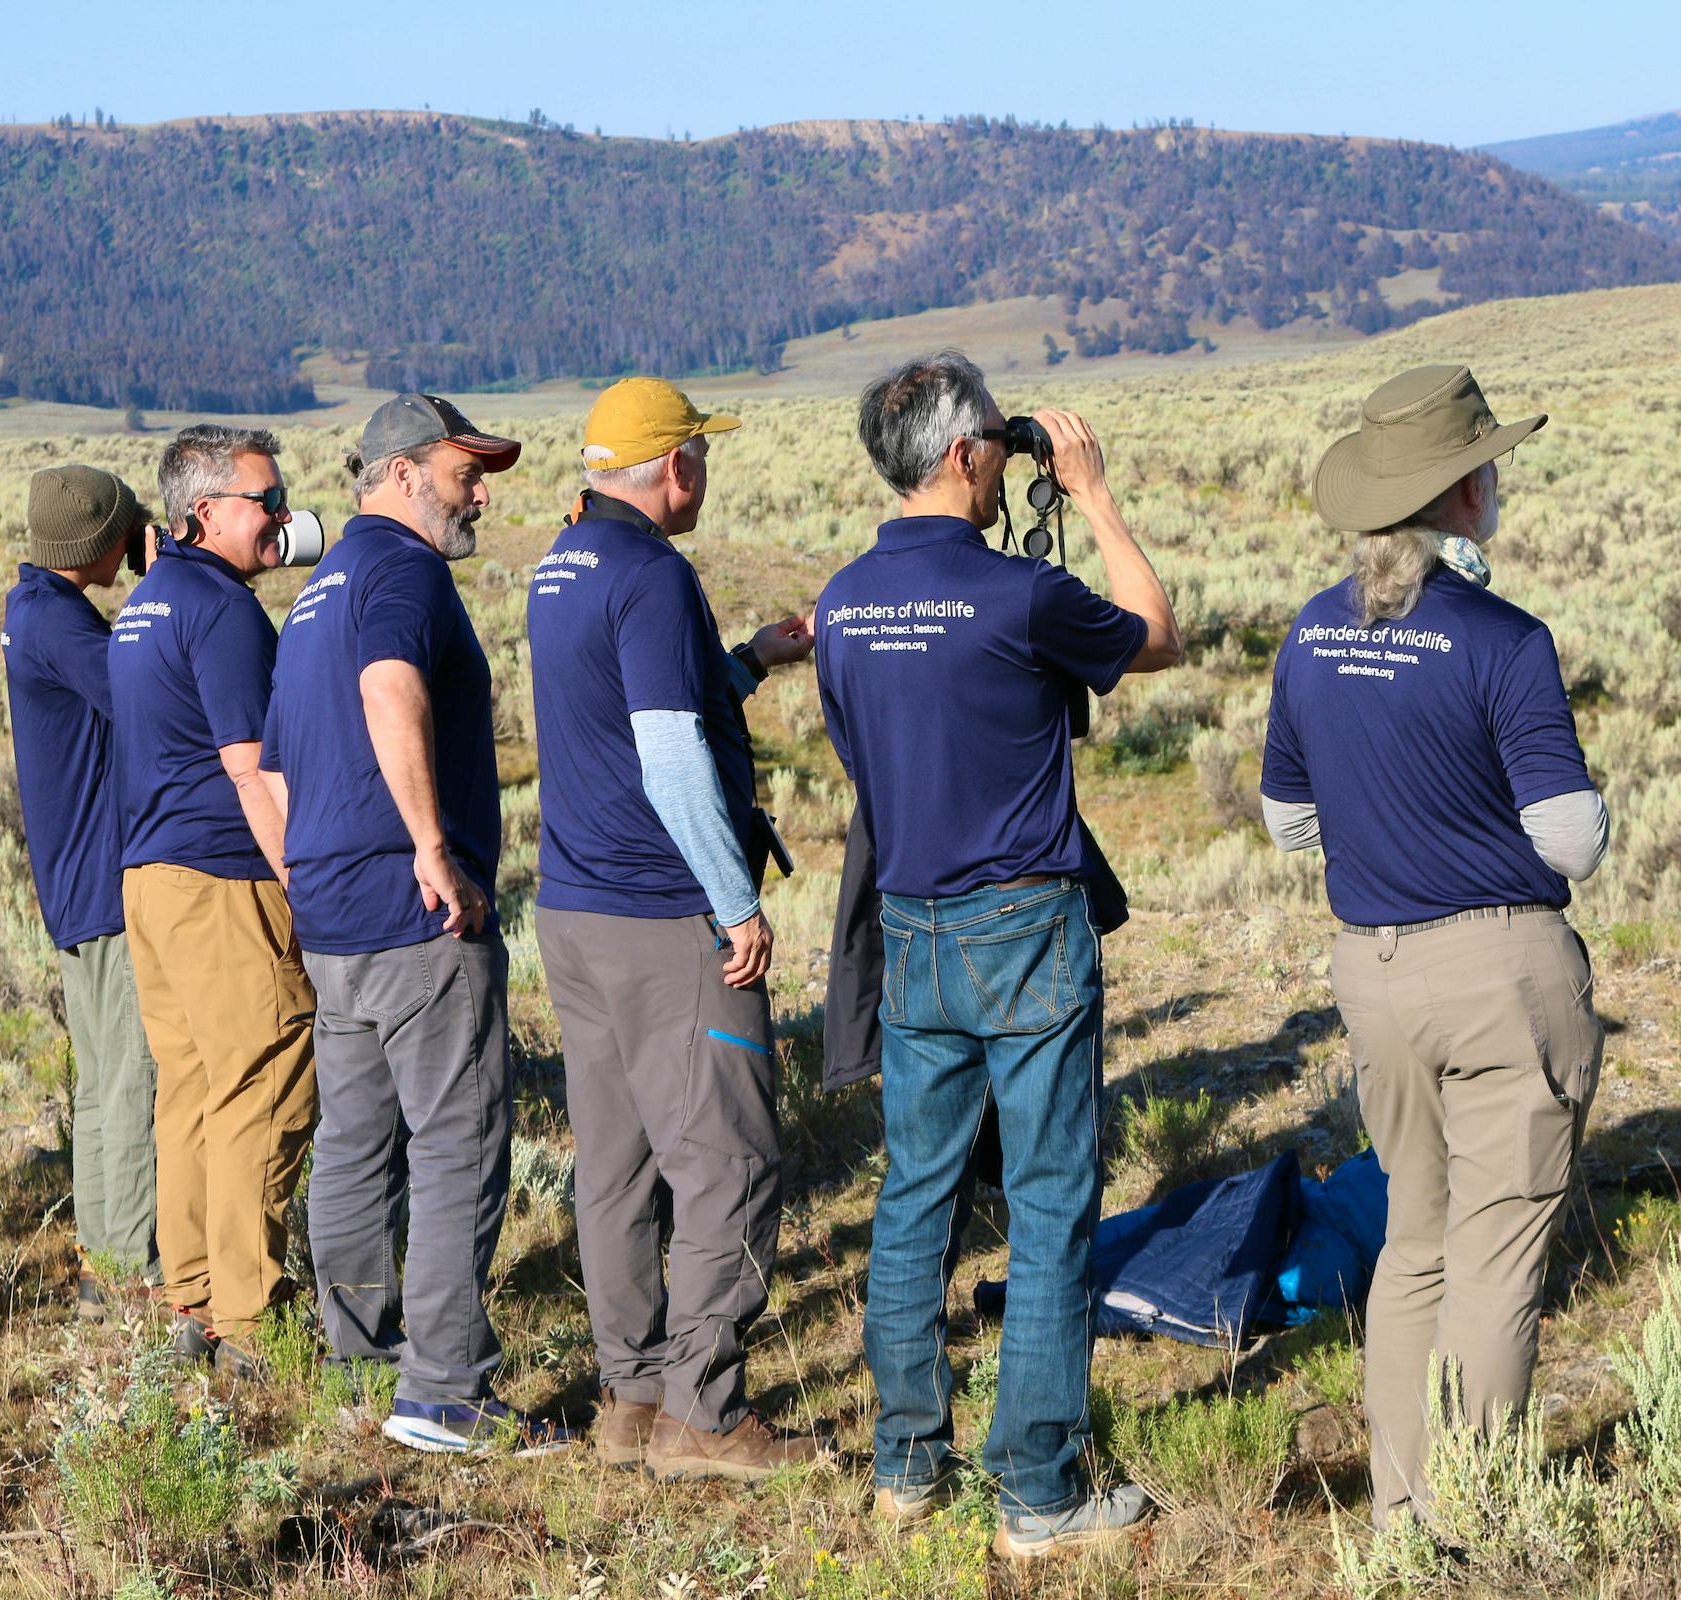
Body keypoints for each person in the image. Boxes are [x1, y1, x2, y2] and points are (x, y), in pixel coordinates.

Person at [816, 351, 1182, 1560]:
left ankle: (906, 1461)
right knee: (1048, 1199)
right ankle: (1037, 1484)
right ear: (971, 455)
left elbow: (861, 759)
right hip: (1023, 921)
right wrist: (1091, 494)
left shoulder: (844, 604)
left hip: (911, 921)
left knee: (915, 1193)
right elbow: (1155, 633)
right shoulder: (1019, 597)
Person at [1260, 364, 1608, 1525]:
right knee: (1499, 1259)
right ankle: (1477, 1521)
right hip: (1502, 967)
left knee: (1414, 1242)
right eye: (1488, 464)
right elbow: (1570, 841)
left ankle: (1402, 1511)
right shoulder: (1505, 638)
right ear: (1463, 492)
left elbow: (1288, 820)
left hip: (1375, 972)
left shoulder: (1313, 631)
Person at [262, 394, 566, 1454]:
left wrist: (310, 875)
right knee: (459, 1141)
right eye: (462, 468)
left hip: (335, 907)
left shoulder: (317, 590)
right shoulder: (401, 570)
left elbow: (277, 764)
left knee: (353, 1140)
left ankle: (361, 1358)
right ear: (400, 472)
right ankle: (443, 1392)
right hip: (410, 902)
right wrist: (433, 848)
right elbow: (393, 690)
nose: (478, 487)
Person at [528, 377, 819, 1483]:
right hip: (664, 919)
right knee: (730, 1160)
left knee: (614, 1165)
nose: (705, 472)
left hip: (573, 912)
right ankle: (705, 1414)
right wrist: (734, 905)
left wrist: (745, 660)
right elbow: (667, 752)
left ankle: (631, 1397)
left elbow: (627, 711)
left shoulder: (561, 565)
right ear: (674, 466)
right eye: (699, 454)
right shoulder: (653, 575)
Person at [110, 424, 318, 1375]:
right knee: (264, 1081)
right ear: (204, 512)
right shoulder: (224, 610)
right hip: (223, 876)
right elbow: (251, 769)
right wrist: (304, 885)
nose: (282, 514)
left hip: (150, 878)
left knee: (190, 1089)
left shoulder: (146, 603)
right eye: (264, 500)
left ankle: (189, 1290)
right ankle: (247, 1317)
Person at [3, 465, 162, 1315]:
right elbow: (146, 691)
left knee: (105, 1081)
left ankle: (108, 1260)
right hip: (105, 877)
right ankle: (132, 1266)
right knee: (130, 1076)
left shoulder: (33, 611)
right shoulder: (62, 628)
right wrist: (167, 581)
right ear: (100, 543)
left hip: (75, 879)